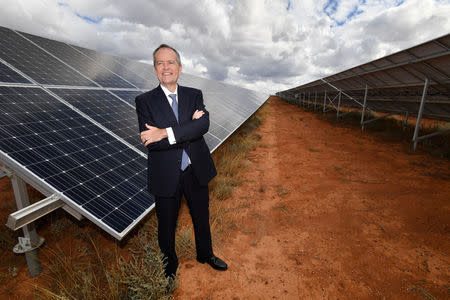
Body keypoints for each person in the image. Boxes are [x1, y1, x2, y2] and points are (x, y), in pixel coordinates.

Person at [135, 44, 228, 281]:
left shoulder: (194, 94)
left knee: (201, 217)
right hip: (166, 174)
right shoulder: (144, 101)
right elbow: (151, 142)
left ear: (180, 67)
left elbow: (203, 125)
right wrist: (189, 128)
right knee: (166, 227)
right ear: (155, 68)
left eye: (171, 62)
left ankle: (205, 254)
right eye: (160, 63)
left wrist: (165, 132)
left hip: (195, 169)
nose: (166, 67)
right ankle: (169, 270)